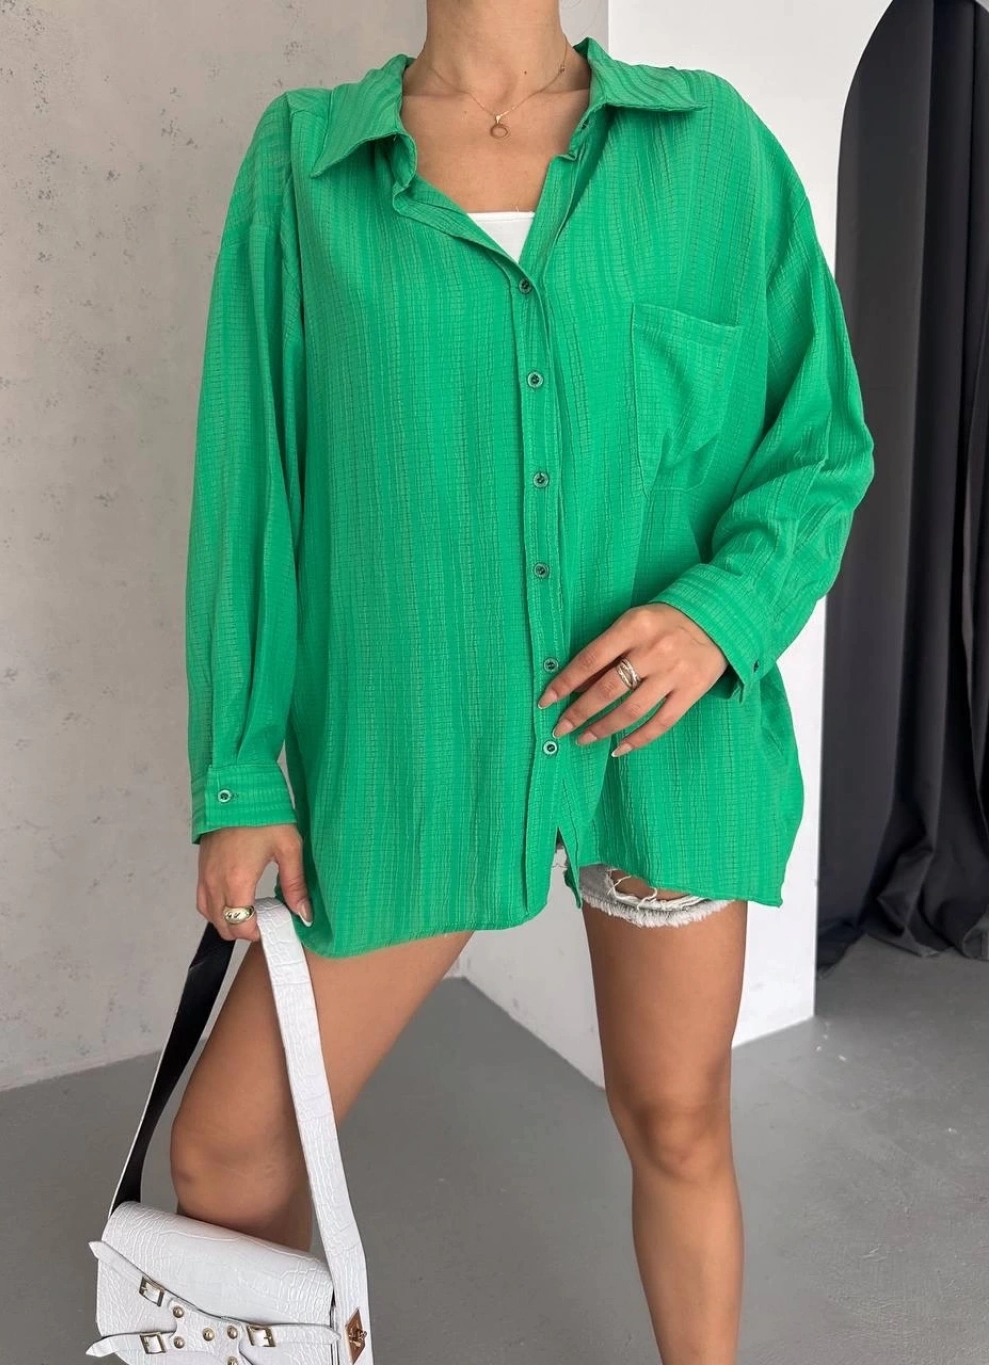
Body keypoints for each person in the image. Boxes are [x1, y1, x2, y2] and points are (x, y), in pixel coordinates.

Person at [169, 5, 875, 1361]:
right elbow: (252, 480)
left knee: (678, 1122)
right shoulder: (308, 165)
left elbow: (818, 441)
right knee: (229, 1153)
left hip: (663, 744)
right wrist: (241, 771)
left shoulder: (711, 149)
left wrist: (720, 617)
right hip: (416, 740)